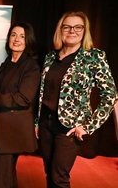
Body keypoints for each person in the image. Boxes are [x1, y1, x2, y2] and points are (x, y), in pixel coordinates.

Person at [35, 11, 118, 188]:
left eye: (78, 27)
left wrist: (87, 126)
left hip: (70, 128)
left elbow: (110, 95)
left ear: (84, 30)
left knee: (59, 177)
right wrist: (37, 122)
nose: (72, 30)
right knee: (49, 172)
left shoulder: (94, 56)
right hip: (45, 124)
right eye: (67, 26)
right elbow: (43, 92)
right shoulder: (51, 57)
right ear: (60, 30)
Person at [0, 22, 41, 188]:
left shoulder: (31, 66)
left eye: (22, 36)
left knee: (3, 176)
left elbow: (23, 98)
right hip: (1, 126)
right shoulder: (8, 62)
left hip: (12, 129)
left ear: (28, 40)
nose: (17, 39)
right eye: (13, 35)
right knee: (5, 173)